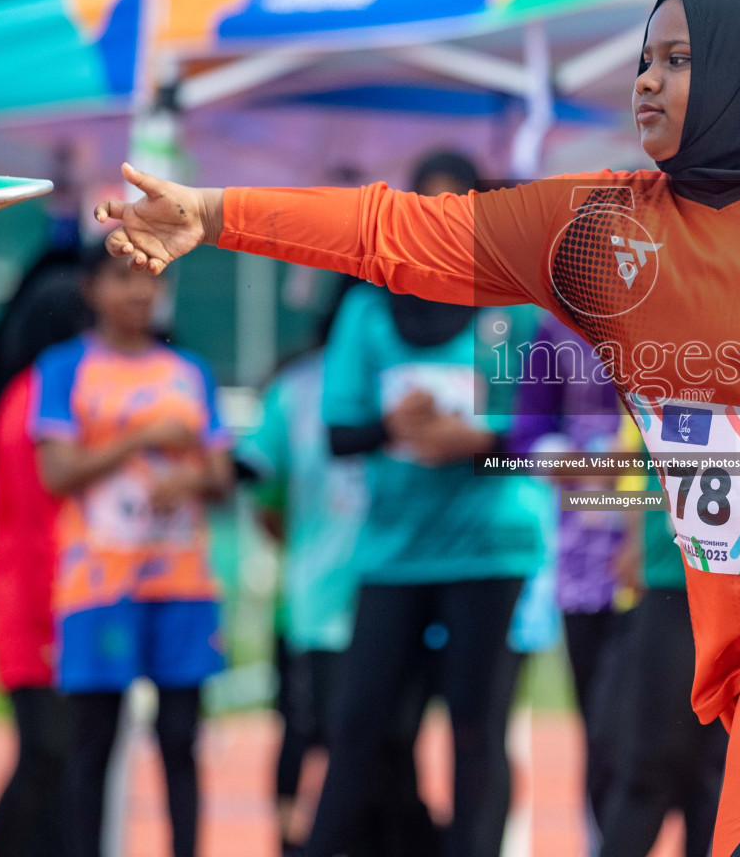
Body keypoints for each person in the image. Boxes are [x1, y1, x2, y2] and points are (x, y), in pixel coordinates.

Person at [93, 0, 740, 856]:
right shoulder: (599, 231)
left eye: (680, 59)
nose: (648, 80)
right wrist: (214, 214)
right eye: (643, 60)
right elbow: (397, 234)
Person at [291, 150, 546, 857]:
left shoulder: (506, 311)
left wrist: (471, 441)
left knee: (475, 727)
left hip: (487, 547)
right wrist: (394, 427)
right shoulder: (371, 307)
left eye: (456, 210)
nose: (440, 224)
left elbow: (530, 437)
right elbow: (341, 434)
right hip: (393, 552)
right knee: (359, 720)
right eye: (425, 209)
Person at [30, 245, 234, 857]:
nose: (141, 293)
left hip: (183, 585)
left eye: (152, 278)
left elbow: (222, 476)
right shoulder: (66, 368)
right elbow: (56, 472)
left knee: (179, 738)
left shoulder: (190, 371)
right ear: (91, 288)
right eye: (123, 279)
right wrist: (143, 437)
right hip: (99, 587)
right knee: (93, 742)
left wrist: (190, 479)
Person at [238, 290, 436, 857]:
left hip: (402, 594)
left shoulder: (413, 373)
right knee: (328, 741)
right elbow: (263, 489)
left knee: (388, 749)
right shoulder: (298, 389)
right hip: (324, 608)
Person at [0, 258, 92, 857]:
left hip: (46, 597)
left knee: (62, 761)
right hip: (39, 601)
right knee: (48, 756)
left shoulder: (34, 395)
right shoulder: (37, 402)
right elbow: (40, 519)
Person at [507, 313, 626, 841]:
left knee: (690, 735)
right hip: (588, 555)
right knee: (601, 722)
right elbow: (526, 432)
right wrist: (568, 463)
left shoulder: (695, 299)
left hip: (684, 553)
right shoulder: (556, 327)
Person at [596, 415, 726, 857]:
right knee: (646, 766)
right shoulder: (677, 361)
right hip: (674, 583)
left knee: (721, 773)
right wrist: (635, 537)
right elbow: (638, 451)